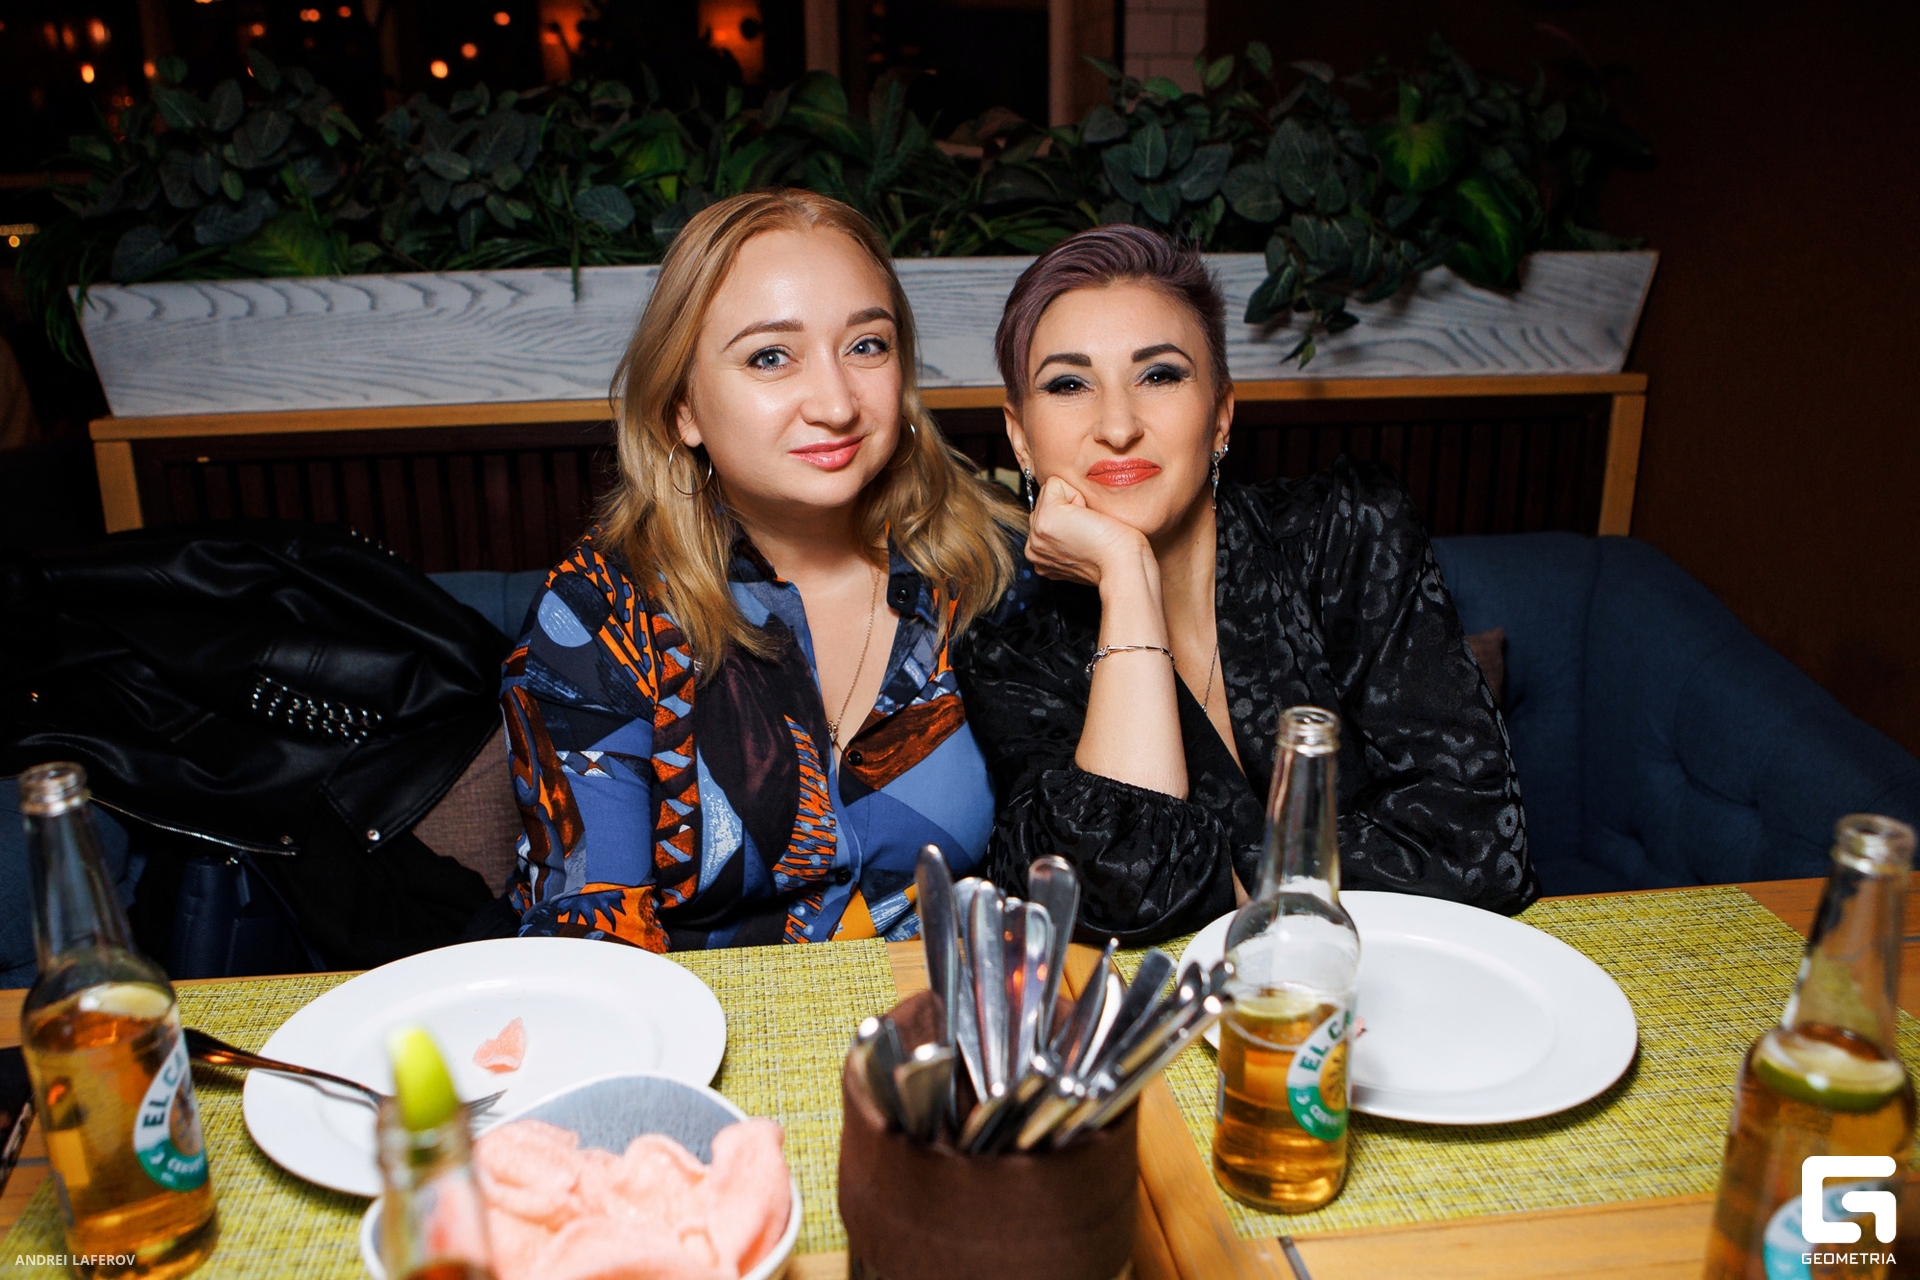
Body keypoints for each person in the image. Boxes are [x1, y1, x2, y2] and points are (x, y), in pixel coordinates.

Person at [954, 226, 1538, 943]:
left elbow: (1479, 845)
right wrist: (1127, 576)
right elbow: (1115, 894)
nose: (1118, 425)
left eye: (1159, 375)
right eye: (1069, 384)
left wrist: (1220, 881)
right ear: (1020, 438)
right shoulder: (1011, 652)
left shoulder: (1345, 533)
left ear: (1221, 416)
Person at [503, 191, 1023, 951]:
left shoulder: (985, 568)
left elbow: (1086, 863)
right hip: (702, 1017)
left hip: (941, 1010)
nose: (837, 404)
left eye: (867, 346)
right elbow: (590, 939)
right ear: (682, 408)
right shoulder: (601, 616)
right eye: (770, 357)